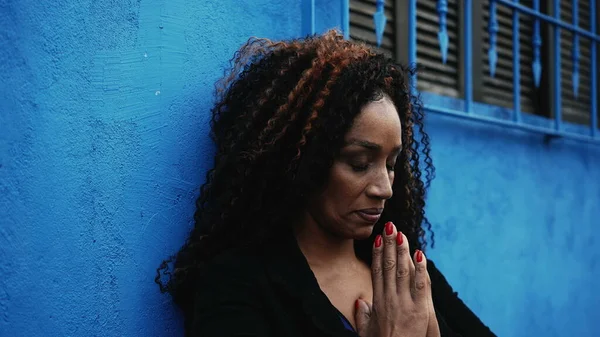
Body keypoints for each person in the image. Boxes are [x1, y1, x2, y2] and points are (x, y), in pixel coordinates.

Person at [156, 30, 496, 337]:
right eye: (359, 163)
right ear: (300, 160)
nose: (385, 188)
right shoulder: (237, 286)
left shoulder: (409, 273)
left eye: (392, 165)